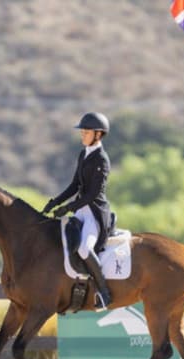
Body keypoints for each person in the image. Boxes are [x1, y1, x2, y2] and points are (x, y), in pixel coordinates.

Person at [42, 112, 113, 310]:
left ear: (98, 134)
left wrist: (68, 208)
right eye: (82, 131)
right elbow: (75, 185)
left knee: (84, 249)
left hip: (94, 213)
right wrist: (55, 202)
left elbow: (92, 194)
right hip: (80, 210)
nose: (82, 135)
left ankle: (103, 292)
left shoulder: (101, 159)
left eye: (86, 132)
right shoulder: (84, 154)